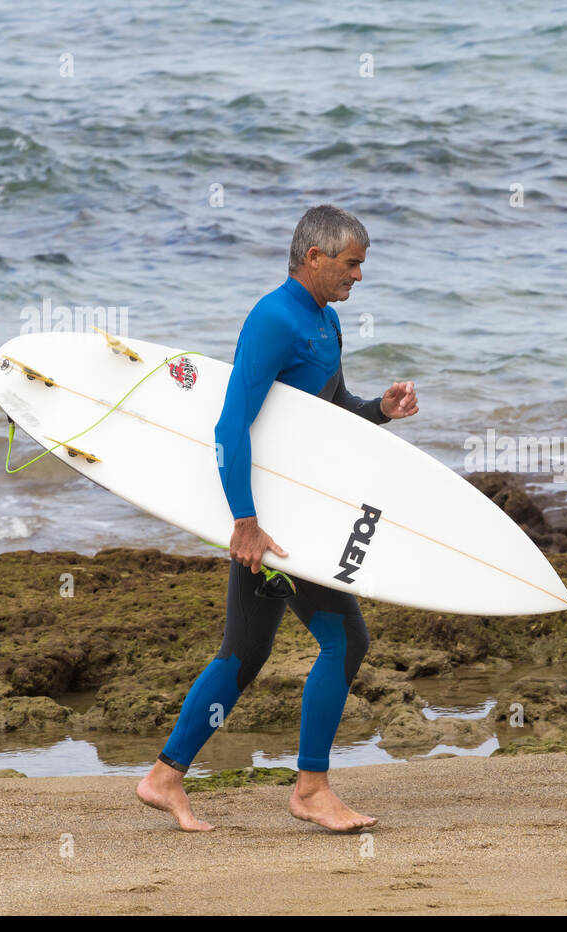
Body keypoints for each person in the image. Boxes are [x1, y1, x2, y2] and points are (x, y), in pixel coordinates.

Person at [137, 205, 418, 832]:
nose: (359, 277)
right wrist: (244, 520)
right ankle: (311, 788)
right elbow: (231, 421)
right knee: (345, 642)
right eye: (352, 264)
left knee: (244, 651)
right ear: (314, 258)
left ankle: (164, 777)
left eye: (362, 265)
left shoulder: (325, 320)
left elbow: (328, 409)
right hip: (274, 523)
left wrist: (380, 409)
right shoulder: (272, 319)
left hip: (289, 512)